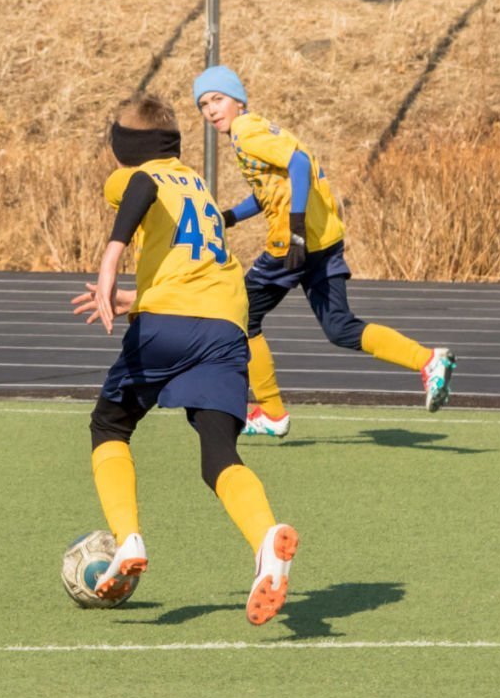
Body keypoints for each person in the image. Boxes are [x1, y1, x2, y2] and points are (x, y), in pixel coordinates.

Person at [70, 92, 299, 626]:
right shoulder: (197, 183)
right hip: (225, 324)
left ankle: (128, 538)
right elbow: (188, 262)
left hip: (170, 323)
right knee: (219, 455)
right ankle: (265, 539)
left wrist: (110, 261)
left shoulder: (135, 175)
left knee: (110, 425)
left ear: (125, 146)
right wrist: (136, 297)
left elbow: (142, 187)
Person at [193, 65, 456, 435]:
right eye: (203, 104)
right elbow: (271, 188)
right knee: (340, 328)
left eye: (217, 99)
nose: (211, 110)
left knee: (240, 316)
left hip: (294, 244)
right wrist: (231, 217)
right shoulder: (261, 127)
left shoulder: (245, 132)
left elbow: (299, 164)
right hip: (324, 240)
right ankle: (428, 360)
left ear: (238, 100)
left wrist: (297, 229)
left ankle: (272, 412)